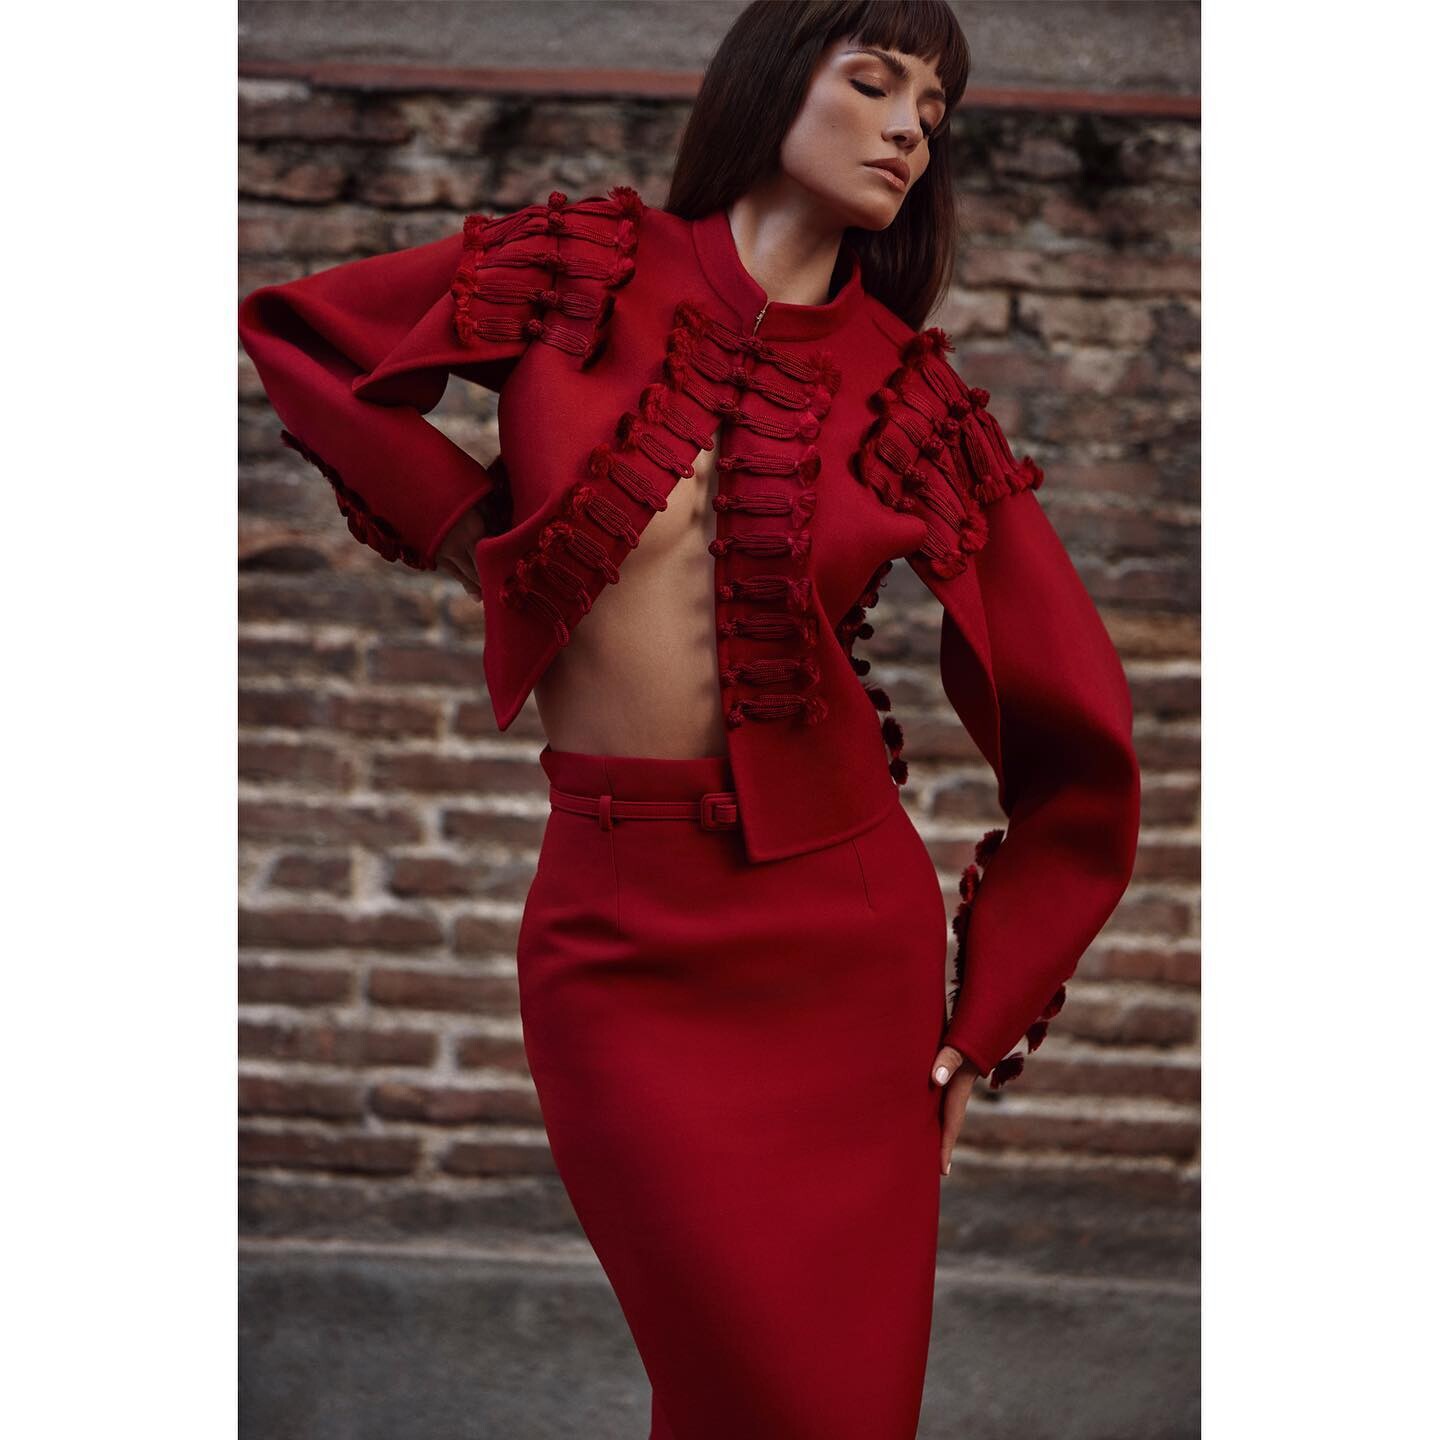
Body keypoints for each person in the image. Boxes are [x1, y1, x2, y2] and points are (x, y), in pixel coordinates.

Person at [237, 3, 1141, 1434]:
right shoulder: (582, 268)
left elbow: (1079, 733)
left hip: (842, 948)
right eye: (874, 84)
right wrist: (470, 531)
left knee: (825, 1410)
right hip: (612, 938)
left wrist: (982, 1022)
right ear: (774, 83)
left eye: (934, 112)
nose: (908, 131)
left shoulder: (911, 395)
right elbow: (298, 334)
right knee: (735, 1374)